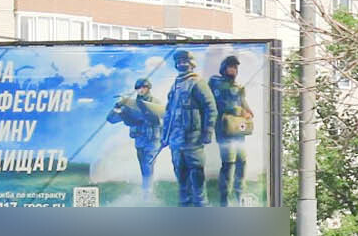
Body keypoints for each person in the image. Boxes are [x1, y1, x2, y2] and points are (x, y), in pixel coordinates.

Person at [158, 49, 215, 207]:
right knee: (181, 175)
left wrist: (207, 132)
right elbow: (168, 113)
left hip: (193, 139)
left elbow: (210, 108)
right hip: (176, 140)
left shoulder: (198, 83)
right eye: (179, 62)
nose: (182, 64)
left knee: (196, 173)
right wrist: (165, 136)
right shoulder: (175, 85)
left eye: (185, 61)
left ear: (191, 64)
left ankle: (202, 206)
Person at [105, 77, 161, 199]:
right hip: (140, 140)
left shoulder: (155, 103)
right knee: (144, 165)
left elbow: (162, 117)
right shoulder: (131, 105)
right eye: (138, 88)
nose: (141, 90)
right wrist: (118, 107)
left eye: (144, 87)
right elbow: (111, 119)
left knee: (148, 165)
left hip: (152, 140)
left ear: (148, 88)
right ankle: (147, 189)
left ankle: (148, 191)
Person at [208, 53, 252, 205]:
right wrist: (237, 110)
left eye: (235, 67)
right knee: (229, 163)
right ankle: (224, 198)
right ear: (224, 68)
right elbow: (218, 103)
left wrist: (248, 112)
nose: (233, 70)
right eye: (230, 67)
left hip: (238, 131)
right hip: (224, 129)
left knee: (242, 161)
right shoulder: (216, 82)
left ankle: (240, 194)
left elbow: (243, 103)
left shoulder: (238, 87)